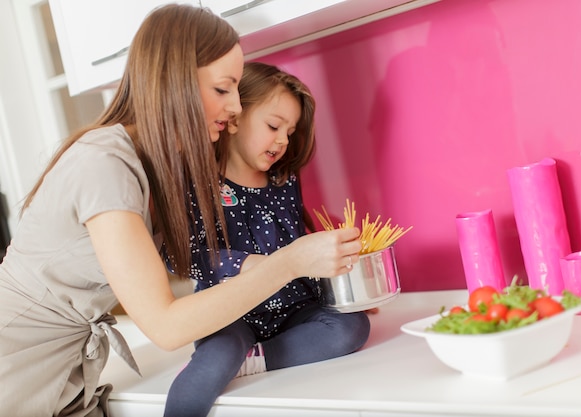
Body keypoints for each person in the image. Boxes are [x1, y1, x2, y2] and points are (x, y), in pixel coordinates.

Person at [0, 5, 362, 417]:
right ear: (175, 82)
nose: (236, 109)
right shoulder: (103, 163)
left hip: (71, 380)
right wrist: (289, 262)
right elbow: (167, 325)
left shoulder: (160, 169)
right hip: (15, 373)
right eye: (224, 89)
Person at [163, 62, 371, 417]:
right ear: (234, 117)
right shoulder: (200, 184)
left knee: (352, 327)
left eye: (289, 131)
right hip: (231, 312)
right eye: (274, 126)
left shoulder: (284, 180)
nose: (283, 140)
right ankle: (234, 359)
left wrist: (339, 289)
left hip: (293, 308)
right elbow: (181, 254)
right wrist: (243, 263)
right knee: (216, 357)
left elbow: (297, 242)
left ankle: (255, 360)